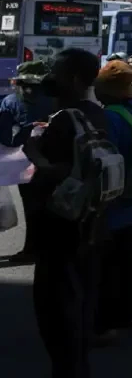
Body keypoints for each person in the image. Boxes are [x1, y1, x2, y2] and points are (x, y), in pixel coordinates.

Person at [21, 49, 107, 378]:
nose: (51, 77)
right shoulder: (97, 114)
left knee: (56, 306)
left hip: (59, 225)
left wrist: (35, 154)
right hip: (92, 222)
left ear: (72, 77)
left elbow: (59, 171)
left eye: (57, 70)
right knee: (82, 298)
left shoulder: (63, 121)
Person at [92, 60, 132, 340]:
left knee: (106, 263)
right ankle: (130, 312)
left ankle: (105, 323)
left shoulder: (110, 117)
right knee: (126, 256)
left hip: (112, 197)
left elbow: (105, 158)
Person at [0, 60, 54, 263]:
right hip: (56, 163)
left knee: (33, 209)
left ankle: (32, 249)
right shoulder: (55, 99)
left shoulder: (11, 101)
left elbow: (6, 138)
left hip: (26, 166)